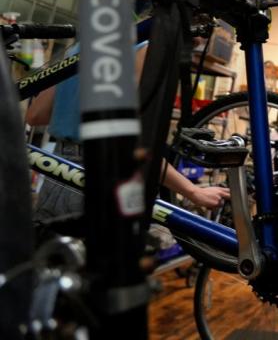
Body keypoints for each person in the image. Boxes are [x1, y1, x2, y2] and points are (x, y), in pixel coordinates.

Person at [26, 41, 230, 225]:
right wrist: (192, 191)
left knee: (49, 258)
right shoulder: (146, 50)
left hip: (58, 172)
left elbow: (35, 115)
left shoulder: (80, 47)